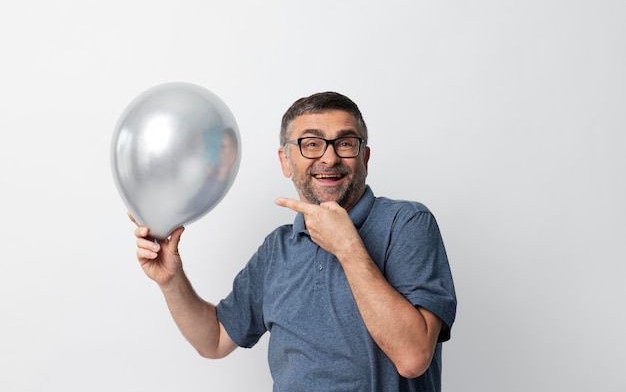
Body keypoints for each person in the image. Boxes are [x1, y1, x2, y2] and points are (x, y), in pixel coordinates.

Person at [131, 91, 457, 392]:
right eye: (311, 144)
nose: (329, 158)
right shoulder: (277, 249)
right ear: (285, 161)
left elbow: (413, 358)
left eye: (345, 143)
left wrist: (347, 246)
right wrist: (172, 281)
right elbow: (214, 340)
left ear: (365, 158)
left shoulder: (407, 223)